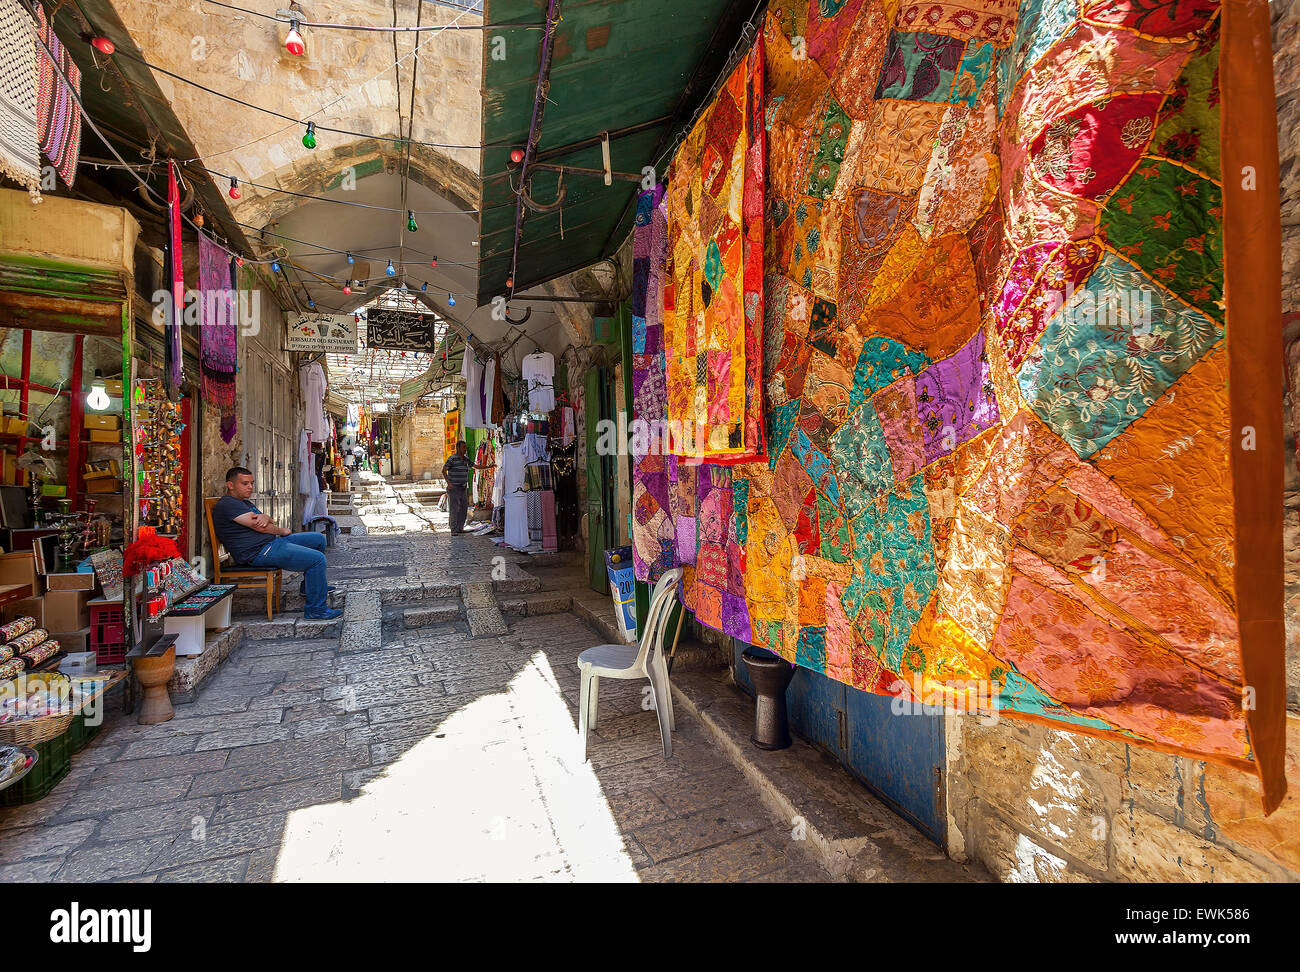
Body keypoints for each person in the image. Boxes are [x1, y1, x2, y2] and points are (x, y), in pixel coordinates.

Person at [212, 467, 341, 619]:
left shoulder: (244, 503)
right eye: (245, 483)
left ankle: (309, 588)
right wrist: (281, 530)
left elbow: (265, 520)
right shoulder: (228, 504)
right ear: (230, 485)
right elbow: (260, 527)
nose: (250, 487)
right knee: (317, 560)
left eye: (251, 483)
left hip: (270, 543)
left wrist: (267, 518)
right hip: (259, 552)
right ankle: (316, 609)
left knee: (318, 539)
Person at [441, 441, 489, 535]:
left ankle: (460, 528)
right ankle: (454, 529)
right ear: (458, 448)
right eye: (463, 447)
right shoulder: (452, 459)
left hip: (463, 488)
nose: (465, 449)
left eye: (465, 447)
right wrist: (449, 483)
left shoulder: (465, 460)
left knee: (463, 509)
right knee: (454, 509)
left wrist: (488, 467)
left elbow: (475, 466)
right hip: (454, 488)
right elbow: (444, 470)